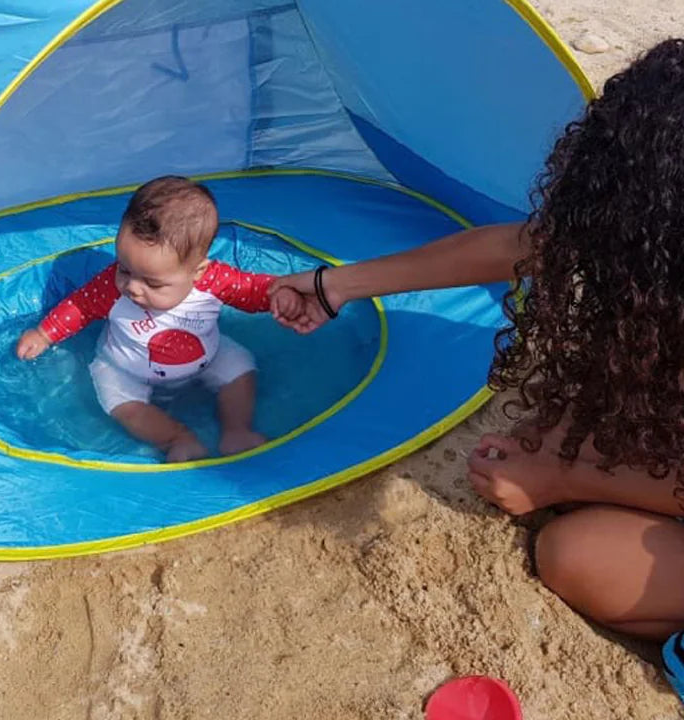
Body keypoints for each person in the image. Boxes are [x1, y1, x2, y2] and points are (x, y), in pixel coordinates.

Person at [270, 38, 684, 644]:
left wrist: (561, 479)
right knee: (578, 427)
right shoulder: (648, 249)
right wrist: (334, 286)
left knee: (576, 554)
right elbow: (515, 246)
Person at [17, 175, 305, 461]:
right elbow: (80, 306)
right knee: (119, 402)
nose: (132, 287)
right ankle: (177, 439)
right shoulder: (110, 287)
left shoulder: (214, 282)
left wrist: (278, 294)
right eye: (124, 269)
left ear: (198, 272)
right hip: (125, 367)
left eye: (152, 284)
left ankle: (237, 431)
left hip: (207, 357)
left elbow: (252, 289)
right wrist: (45, 334)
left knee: (240, 365)